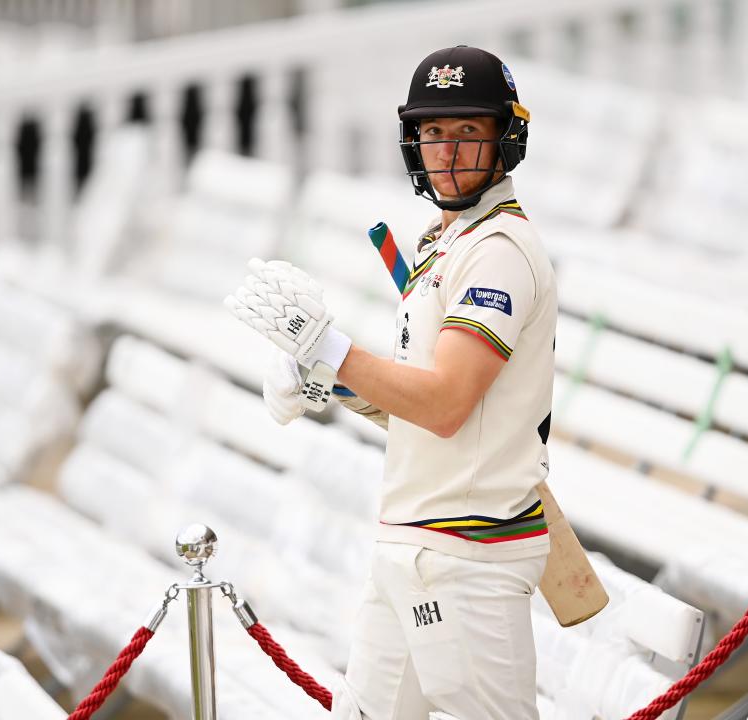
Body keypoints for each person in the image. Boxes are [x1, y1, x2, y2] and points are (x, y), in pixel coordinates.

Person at [232, 45, 557, 720]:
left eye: (469, 131)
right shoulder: (446, 244)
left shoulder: (498, 253)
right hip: (411, 540)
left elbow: (444, 406)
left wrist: (332, 348)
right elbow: (424, 405)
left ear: (508, 136)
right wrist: (326, 377)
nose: (448, 150)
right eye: (434, 133)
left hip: (469, 557)